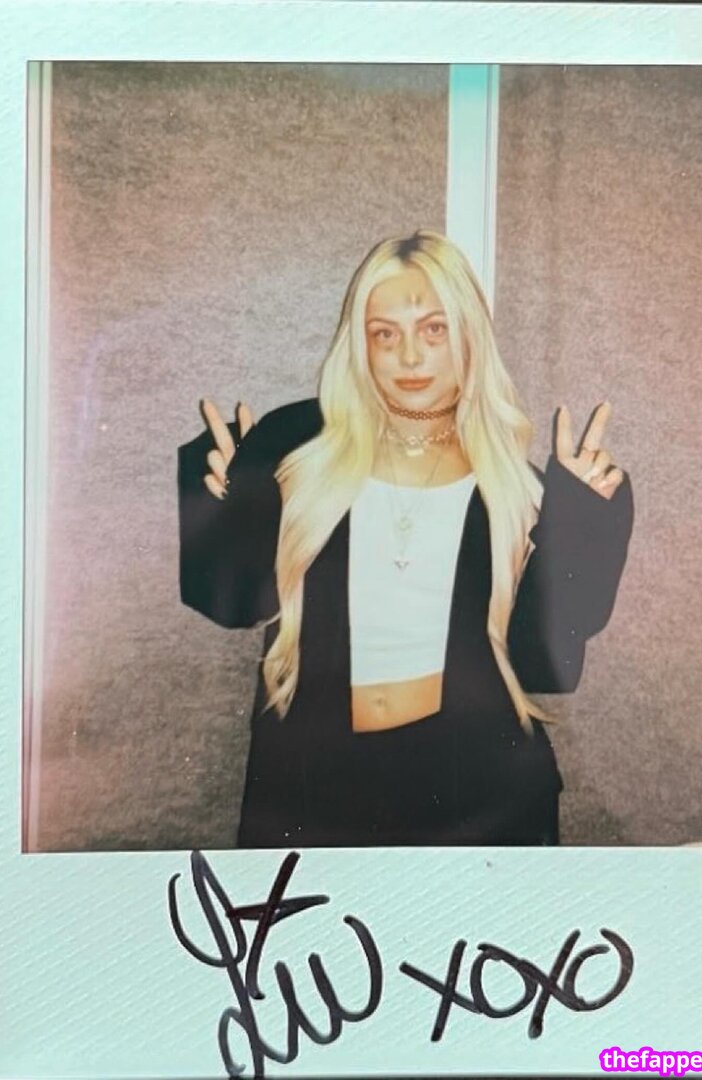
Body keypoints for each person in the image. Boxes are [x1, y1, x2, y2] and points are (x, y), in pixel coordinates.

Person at [177, 229, 633, 847]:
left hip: (478, 802)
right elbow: (231, 603)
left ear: (468, 334)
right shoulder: (301, 446)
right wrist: (222, 502)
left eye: (433, 329)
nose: (410, 357)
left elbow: (543, 665)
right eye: (385, 334)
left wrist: (580, 528)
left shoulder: (512, 483)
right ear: (360, 346)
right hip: (317, 789)